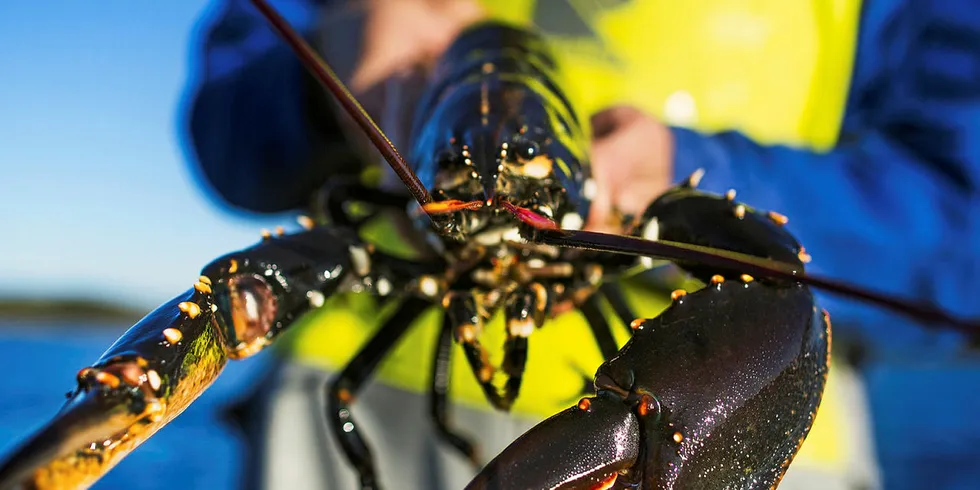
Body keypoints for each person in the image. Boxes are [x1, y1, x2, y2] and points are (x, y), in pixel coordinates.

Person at [182, 1, 980, 489]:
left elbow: (963, 234)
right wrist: (316, 73)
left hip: (721, 428)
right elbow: (222, 131)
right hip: (338, 442)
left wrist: (700, 174)